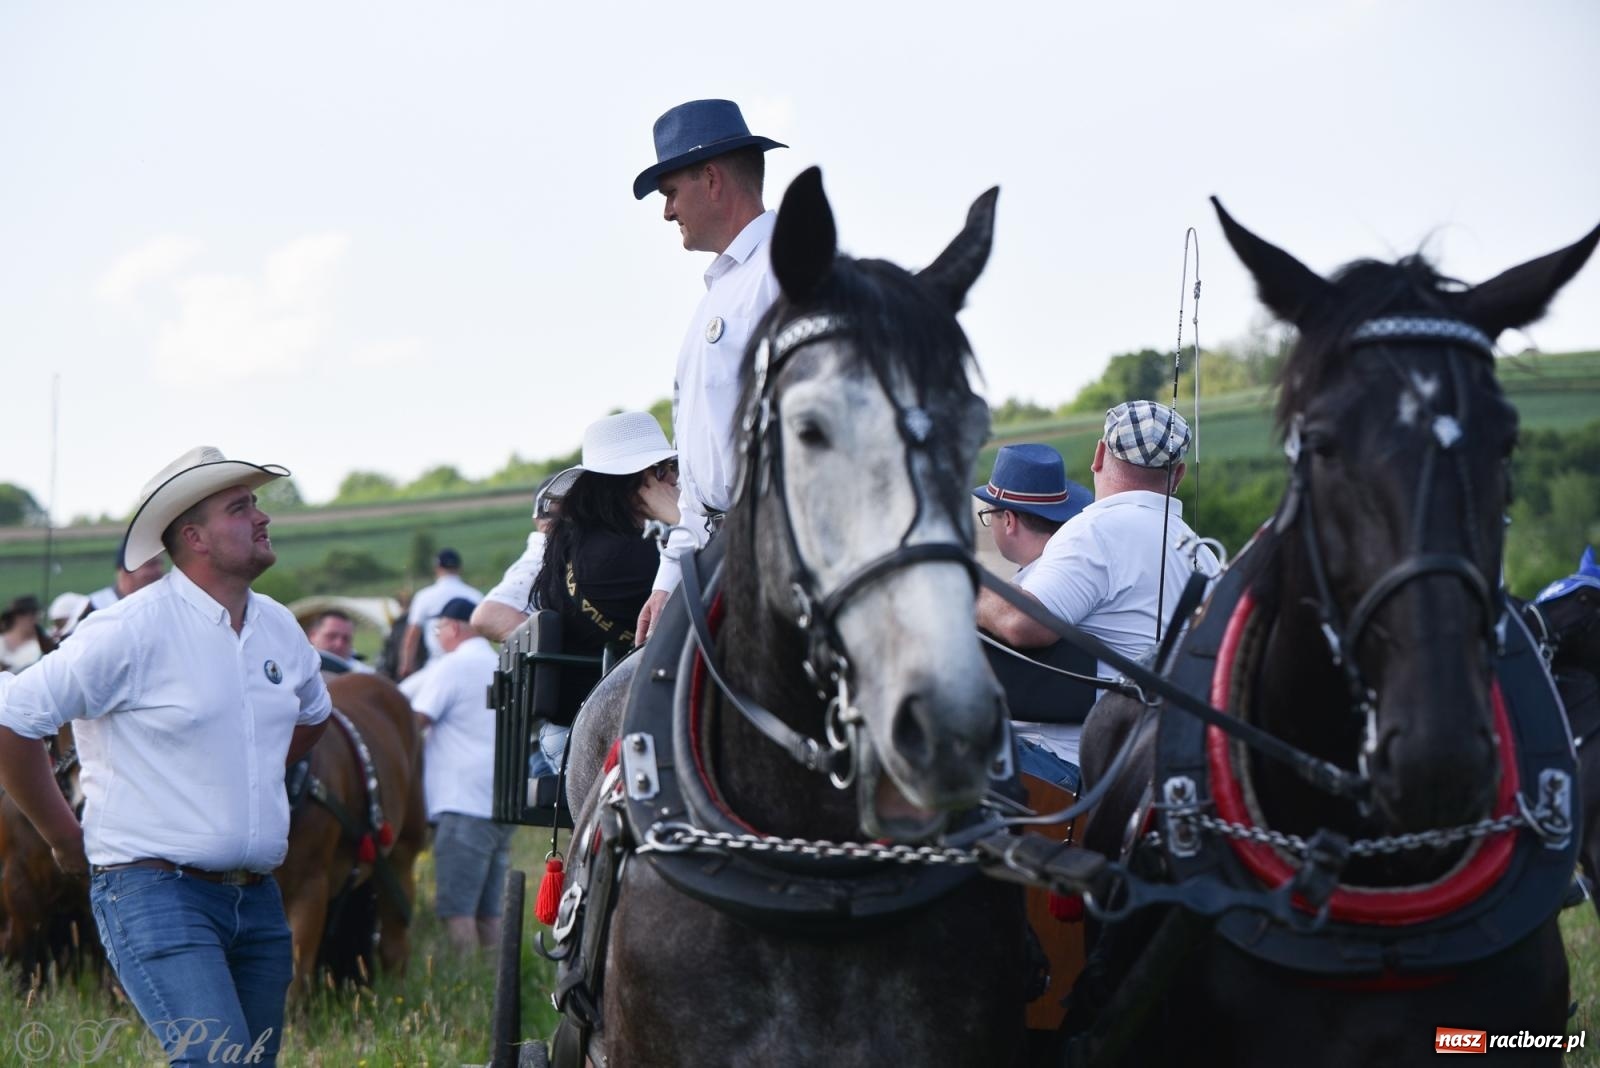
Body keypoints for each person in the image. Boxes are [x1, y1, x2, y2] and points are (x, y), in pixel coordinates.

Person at [0, 445, 331, 1066]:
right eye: (241, 507)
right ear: (193, 536)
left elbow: (313, 716)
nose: (262, 517)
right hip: (153, 891)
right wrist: (63, 836)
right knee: (219, 1060)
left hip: (258, 898)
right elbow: (14, 722)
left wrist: (245, 774)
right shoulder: (129, 630)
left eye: (256, 503)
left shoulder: (281, 628)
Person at [977, 402, 1221, 776]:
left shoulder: (1095, 530)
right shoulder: (1202, 553)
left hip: (1067, 766)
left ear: (1099, 454)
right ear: (1179, 475)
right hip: (1163, 771)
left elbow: (1023, 624)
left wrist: (961, 584)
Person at [630, 98, 787, 645]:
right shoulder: (724, 288)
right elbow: (700, 481)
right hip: (723, 558)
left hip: (775, 558)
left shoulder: (784, 271)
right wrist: (669, 577)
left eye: (670, 192)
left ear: (713, 179)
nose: (667, 212)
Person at [527, 412, 681, 775]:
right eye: (663, 469)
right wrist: (681, 518)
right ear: (633, 483)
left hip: (598, 720)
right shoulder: (618, 557)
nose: (675, 478)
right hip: (593, 733)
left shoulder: (585, 542)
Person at [970, 445, 1093, 789]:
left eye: (989, 516)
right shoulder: (1070, 582)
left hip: (1050, 767)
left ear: (1008, 520)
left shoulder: (1030, 599)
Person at [409, 596, 511, 954]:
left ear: (452, 627)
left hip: (462, 802)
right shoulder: (500, 661)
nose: (438, 637)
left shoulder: (453, 666)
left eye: (438, 630)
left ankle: (468, 986)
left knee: (457, 911)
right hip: (500, 801)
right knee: (489, 913)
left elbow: (415, 722)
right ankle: (496, 985)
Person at [471, 467, 580, 643]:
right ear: (537, 520)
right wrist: (547, 651)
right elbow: (487, 614)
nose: (560, 522)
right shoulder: (540, 559)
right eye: (550, 514)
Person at [398, 548, 482, 679]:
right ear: (459, 568)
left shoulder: (424, 596)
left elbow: (412, 634)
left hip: (435, 665)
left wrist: (406, 664)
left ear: (437, 568)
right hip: (471, 665)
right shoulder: (474, 595)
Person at [83, 553, 164, 614]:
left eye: (160, 564)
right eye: (150, 565)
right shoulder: (94, 607)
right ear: (125, 571)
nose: (159, 570)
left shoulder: (159, 606)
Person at [305, 608, 375, 674]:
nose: (339, 644)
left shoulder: (365, 673)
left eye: (346, 639)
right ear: (312, 635)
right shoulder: (300, 666)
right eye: (331, 636)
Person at [0, 595, 47, 672]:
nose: (36, 621)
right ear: (18, 617)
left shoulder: (39, 645)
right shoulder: (2, 640)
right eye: (32, 617)